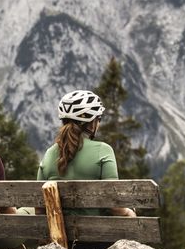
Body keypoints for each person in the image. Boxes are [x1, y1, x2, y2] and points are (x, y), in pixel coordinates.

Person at [38, 90, 136, 218]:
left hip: (58, 235)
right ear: (92, 123)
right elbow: (114, 205)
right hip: (98, 235)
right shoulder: (103, 150)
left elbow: (39, 209)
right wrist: (130, 212)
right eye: (98, 118)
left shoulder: (48, 154)